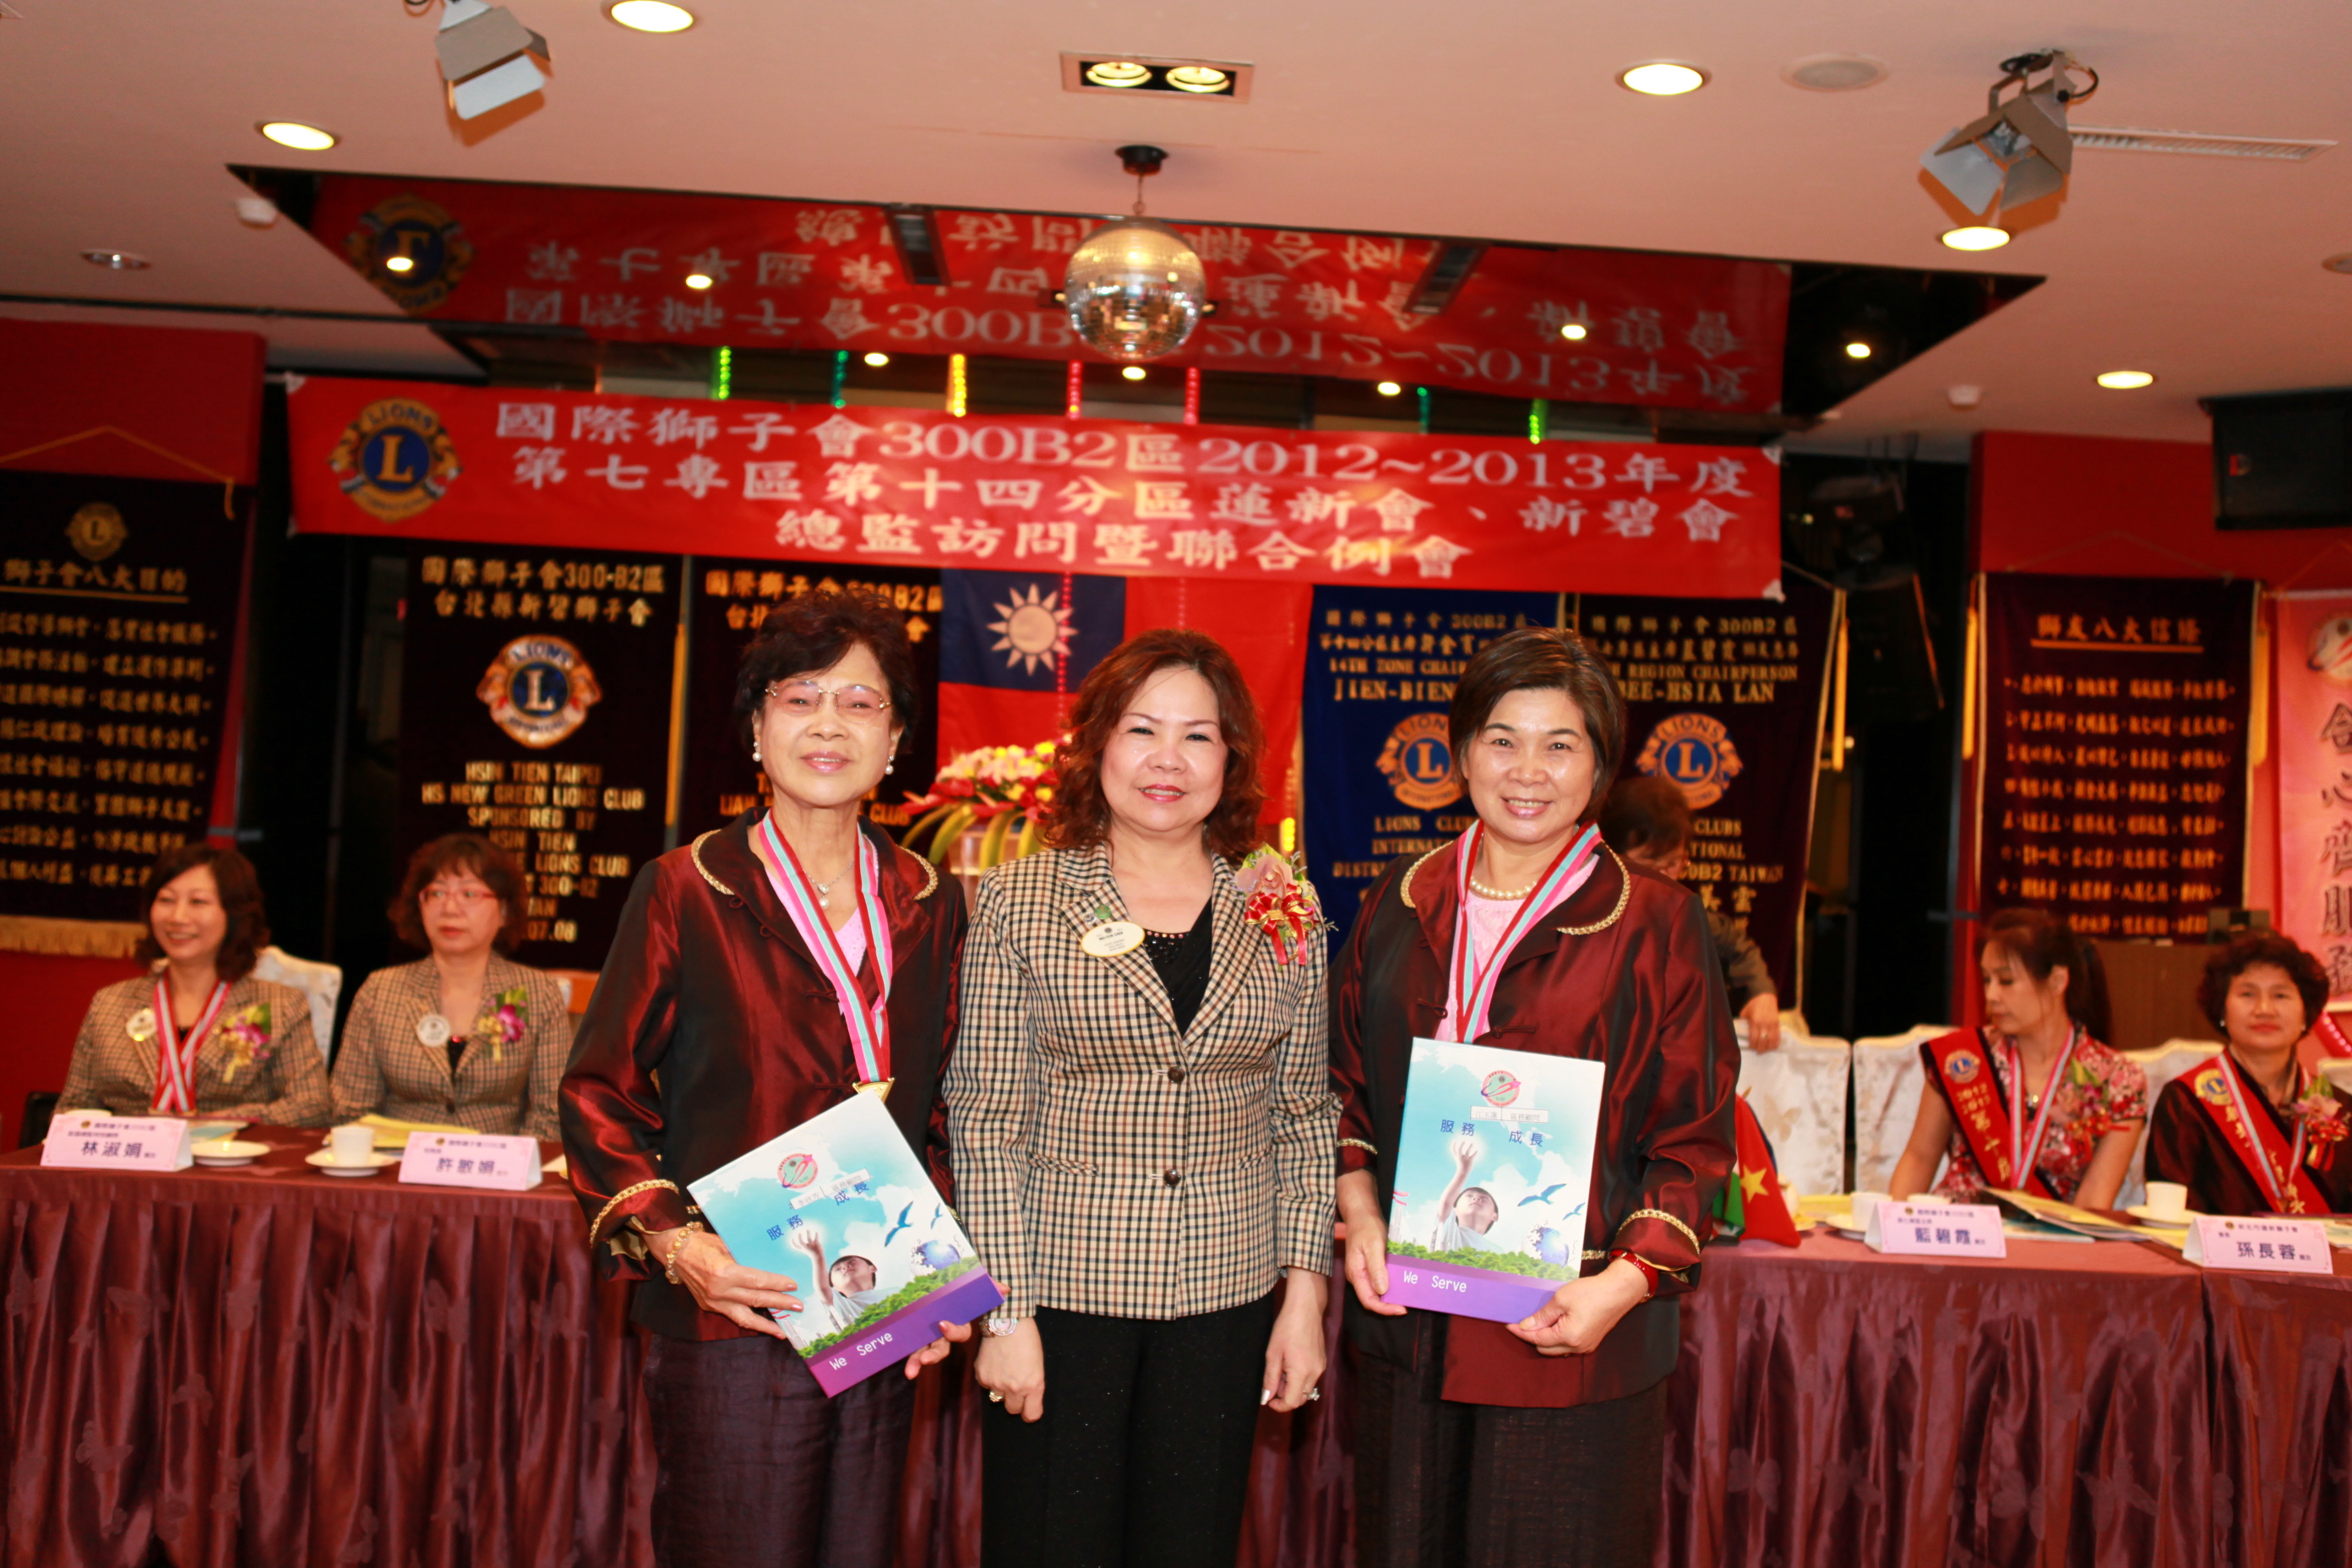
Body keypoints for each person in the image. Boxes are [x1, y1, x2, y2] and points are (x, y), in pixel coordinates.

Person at [559, 591, 967, 1568]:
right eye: (800, 697)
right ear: (756, 726)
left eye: (861, 703)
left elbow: (950, 1099)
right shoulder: (687, 886)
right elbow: (599, 1090)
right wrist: (677, 1245)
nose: (829, 723)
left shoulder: (932, 898)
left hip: (883, 1295)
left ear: (896, 739)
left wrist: (942, 1273)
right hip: (735, 1302)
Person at [1329, 626, 1737, 1568]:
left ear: (1600, 764)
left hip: (1569, 1329)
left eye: (1561, 744)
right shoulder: (1401, 898)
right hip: (1409, 1324)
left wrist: (1619, 1287)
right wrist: (1361, 1213)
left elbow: (1696, 1140)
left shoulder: (1656, 921)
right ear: (1461, 751)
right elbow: (1340, 1084)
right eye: (1502, 739)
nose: (1528, 771)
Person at [935, 628, 1337, 1568]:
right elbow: (986, 1120)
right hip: (1061, 1299)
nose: (1168, 759)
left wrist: (1304, 1296)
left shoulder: (1282, 905)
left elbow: (1304, 1113)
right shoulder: (1022, 900)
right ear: (1098, 745)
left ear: (1231, 758)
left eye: (1198, 736)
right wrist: (1005, 1314)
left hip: (1228, 1296)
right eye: (1142, 729)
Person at [59, 841, 329, 1126]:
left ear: (234, 913)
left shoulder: (279, 1005)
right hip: (131, 1151)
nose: (177, 917)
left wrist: (209, 1123)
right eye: (166, 900)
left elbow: (313, 1106)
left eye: (198, 902)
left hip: (229, 1151)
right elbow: (72, 1108)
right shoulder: (110, 1003)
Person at [1889, 909, 2145, 1208]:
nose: (1991, 995)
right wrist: (1893, 1222)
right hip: (1958, 1227)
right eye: (1987, 980)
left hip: (2052, 1234)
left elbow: (2095, 1197)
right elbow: (1919, 1157)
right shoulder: (1963, 1059)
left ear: (2057, 980)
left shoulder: (2117, 1079)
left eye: (2006, 981)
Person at [331, 833, 573, 1140]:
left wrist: (513, 1162)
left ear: (504, 911)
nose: (450, 907)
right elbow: (351, 1110)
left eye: (469, 894)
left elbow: (552, 1113)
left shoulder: (538, 993)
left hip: (498, 1163)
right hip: (399, 1161)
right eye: (436, 893)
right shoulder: (381, 991)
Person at [2144, 931, 2352, 1215]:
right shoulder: (2186, 1102)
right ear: (2222, 1010)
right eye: (2247, 994)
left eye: (2280, 995)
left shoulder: (2341, 1110)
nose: (2264, 1009)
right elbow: (2169, 1213)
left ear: (2306, 1013)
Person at [1597, 774, 1781, 1050]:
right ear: (1610, 854)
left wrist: (1761, 993)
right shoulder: (1584, 915)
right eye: (1648, 863)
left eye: (1673, 864)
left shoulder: (1682, 914)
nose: (1662, 878)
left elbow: (1736, 947)